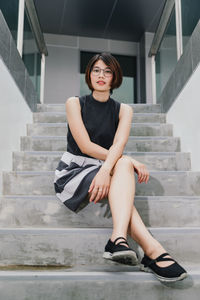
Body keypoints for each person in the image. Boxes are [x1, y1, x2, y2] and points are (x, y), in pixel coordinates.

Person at [54, 52, 187, 283]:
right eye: (96, 70)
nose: (101, 75)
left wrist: (107, 169)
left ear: (115, 77)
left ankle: (119, 239)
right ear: (89, 74)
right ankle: (152, 251)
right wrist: (121, 164)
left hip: (104, 167)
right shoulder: (74, 103)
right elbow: (85, 146)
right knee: (124, 161)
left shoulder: (124, 110)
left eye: (107, 71)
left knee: (122, 160)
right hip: (74, 170)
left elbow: (119, 144)